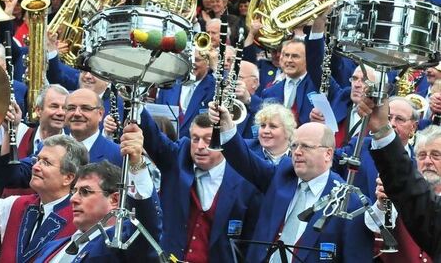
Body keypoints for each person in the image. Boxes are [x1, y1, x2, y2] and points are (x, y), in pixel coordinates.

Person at [208, 103, 373, 262]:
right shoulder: (283, 175)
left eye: (306, 147)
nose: (297, 152)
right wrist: (226, 127)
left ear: (328, 154)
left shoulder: (350, 202)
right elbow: (246, 161)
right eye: (294, 146)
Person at [133, 110, 261, 262]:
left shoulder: (245, 180)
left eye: (208, 140)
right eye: (195, 139)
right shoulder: (177, 159)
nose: (200, 146)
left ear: (224, 142)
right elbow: (153, 136)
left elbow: (252, 242)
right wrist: (134, 102)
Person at [0, 133, 88, 262]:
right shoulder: (15, 205)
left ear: (68, 178)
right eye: (37, 160)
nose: (35, 167)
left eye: (46, 162)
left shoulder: (82, 221)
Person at [35, 141, 162, 262]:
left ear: (114, 199)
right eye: (74, 192)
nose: (73, 199)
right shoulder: (51, 246)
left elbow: (146, 225)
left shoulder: (121, 244)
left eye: (85, 192)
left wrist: (136, 165)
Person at [362, 94, 441, 261]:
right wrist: (382, 205)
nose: (427, 161)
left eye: (435, 155)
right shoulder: (405, 190)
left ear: (413, 126)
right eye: (422, 155)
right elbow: (374, 232)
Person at [260, 14, 327, 124]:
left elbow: (316, 56)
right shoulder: (269, 92)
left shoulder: (317, 84)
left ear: (307, 59)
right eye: (286, 55)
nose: (289, 60)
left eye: (295, 56)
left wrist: (319, 21)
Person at [156, 48, 216, 139]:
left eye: (197, 60)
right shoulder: (167, 83)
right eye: (187, 59)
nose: (191, 64)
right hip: (166, 147)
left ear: (207, 62)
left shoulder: (215, 89)